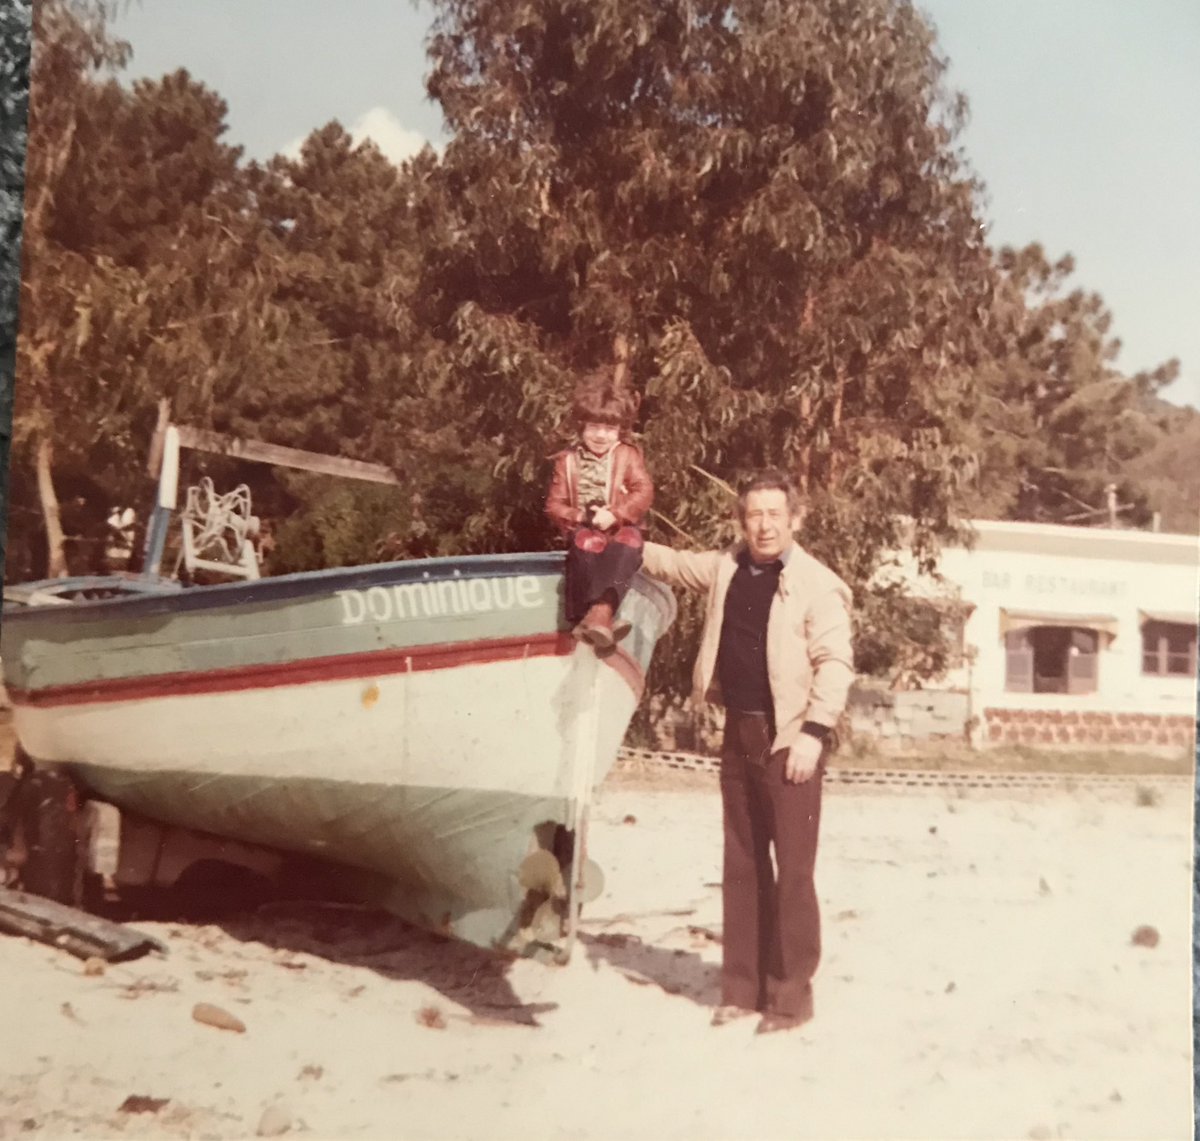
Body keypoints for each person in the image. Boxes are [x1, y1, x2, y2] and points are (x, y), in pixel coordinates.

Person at [641, 469, 854, 1034]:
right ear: (742, 519)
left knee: (793, 873)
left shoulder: (818, 584)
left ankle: (789, 999)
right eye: (754, 514)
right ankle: (740, 989)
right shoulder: (728, 568)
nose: (763, 525)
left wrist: (814, 733)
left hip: (793, 742)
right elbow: (671, 563)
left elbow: (836, 664)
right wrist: (617, 536)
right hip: (739, 733)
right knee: (741, 864)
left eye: (774, 515)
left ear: (795, 519)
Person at [545, 370, 654, 651]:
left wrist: (616, 514)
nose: (601, 436)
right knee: (586, 543)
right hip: (586, 529)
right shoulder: (567, 461)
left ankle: (599, 614)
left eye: (609, 429)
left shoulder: (627, 455)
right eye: (594, 427)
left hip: (618, 527)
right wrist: (580, 516)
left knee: (629, 542)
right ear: (581, 427)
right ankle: (599, 619)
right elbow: (554, 505)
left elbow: (644, 491)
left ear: (619, 430)